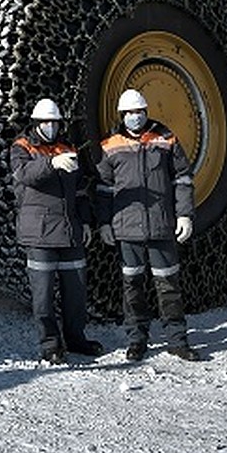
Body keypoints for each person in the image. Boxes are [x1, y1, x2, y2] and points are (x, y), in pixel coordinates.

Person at [95, 89, 198, 362]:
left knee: (168, 286)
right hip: (127, 229)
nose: (134, 117)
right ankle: (137, 340)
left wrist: (185, 215)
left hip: (161, 226)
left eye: (138, 112)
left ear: (146, 112)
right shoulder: (110, 145)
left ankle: (177, 340)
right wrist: (104, 223)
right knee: (132, 286)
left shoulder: (166, 139)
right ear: (122, 115)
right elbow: (103, 189)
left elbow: (183, 179)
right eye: (129, 113)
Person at [10, 98, 105, 364]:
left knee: (75, 292)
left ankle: (76, 339)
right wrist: (52, 164)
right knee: (43, 294)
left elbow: (79, 190)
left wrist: (85, 221)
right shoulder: (22, 148)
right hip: (39, 233)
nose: (50, 126)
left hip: (69, 230)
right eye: (45, 122)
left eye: (54, 122)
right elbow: (24, 175)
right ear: (36, 123)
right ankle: (50, 344)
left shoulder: (67, 148)